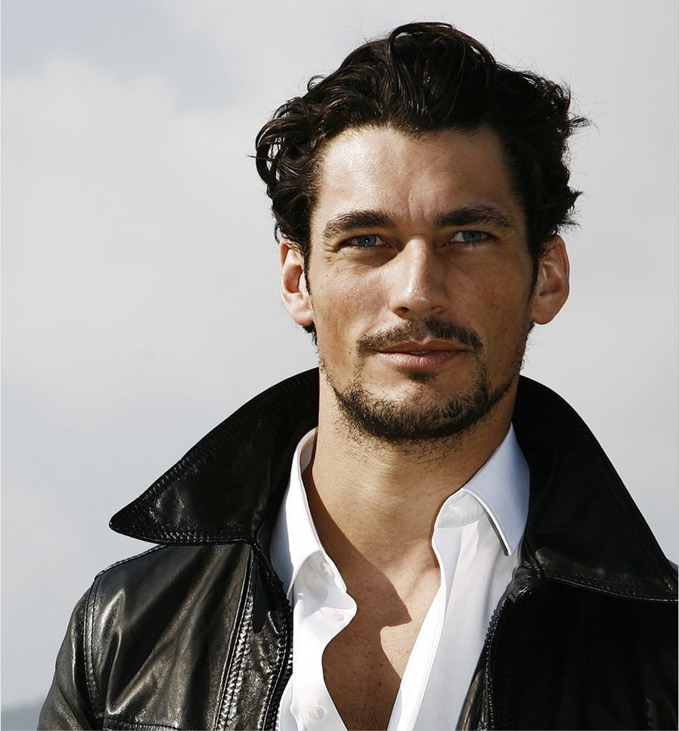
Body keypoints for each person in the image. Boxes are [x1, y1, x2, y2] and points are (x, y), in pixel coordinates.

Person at [39, 22, 677, 731]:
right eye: (367, 240)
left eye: (468, 236)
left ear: (547, 277)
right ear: (297, 280)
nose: (418, 290)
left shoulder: (664, 657)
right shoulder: (123, 635)